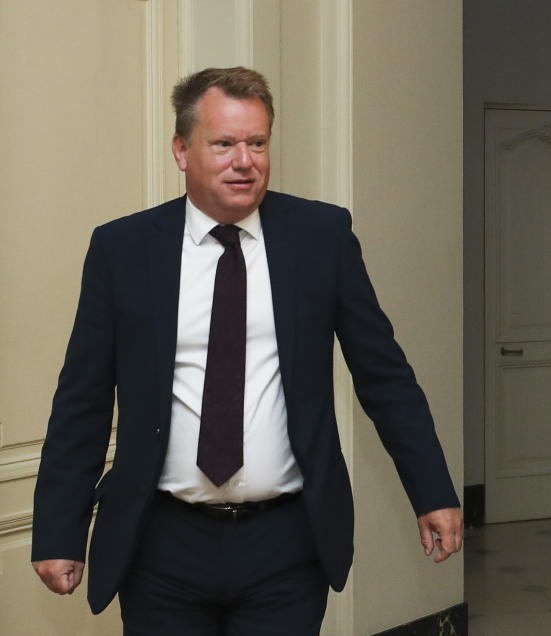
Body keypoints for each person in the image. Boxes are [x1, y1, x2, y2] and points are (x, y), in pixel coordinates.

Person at [31, 66, 463, 635]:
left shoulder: (321, 237)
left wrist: (432, 489)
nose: (245, 160)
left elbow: (385, 376)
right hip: (161, 545)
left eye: (257, 143)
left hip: (284, 544)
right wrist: (60, 528)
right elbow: (82, 399)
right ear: (182, 150)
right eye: (225, 143)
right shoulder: (123, 249)